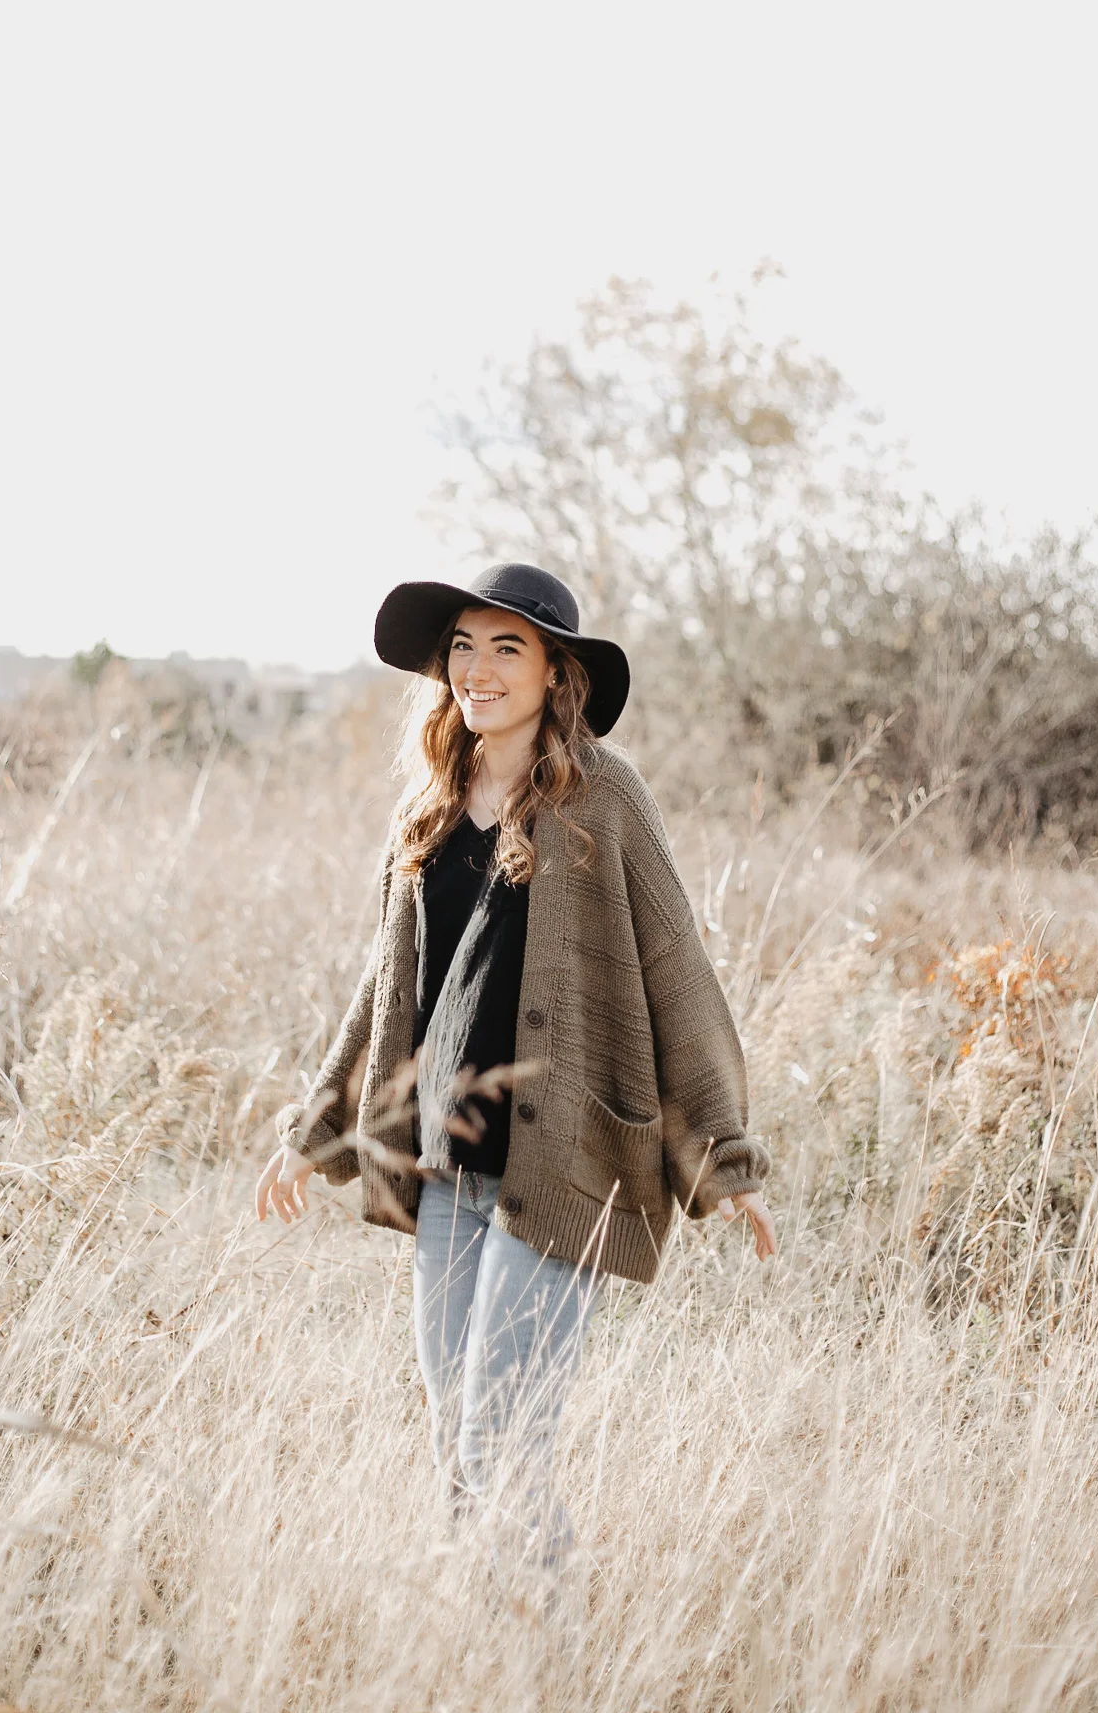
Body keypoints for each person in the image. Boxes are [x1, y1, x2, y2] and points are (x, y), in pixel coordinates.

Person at [256, 561, 775, 1587]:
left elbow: (677, 968)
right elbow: (383, 987)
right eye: (463, 646)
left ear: (554, 671)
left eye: (507, 648)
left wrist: (724, 1155)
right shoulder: (431, 802)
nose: (479, 669)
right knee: (460, 1440)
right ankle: (492, 1659)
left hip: (565, 1167)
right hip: (448, 1169)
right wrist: (312, 1131)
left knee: (502, 1436)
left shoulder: (603, 795)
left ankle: (552, 1659)